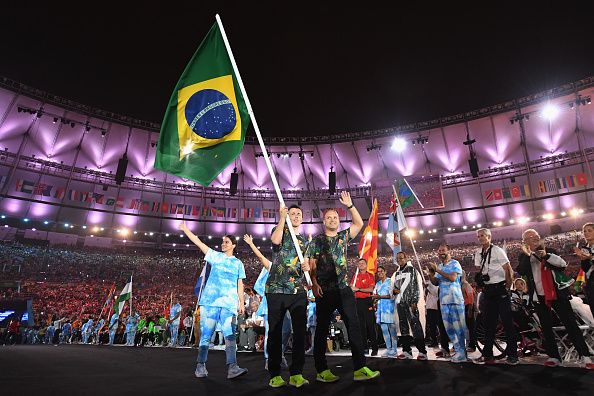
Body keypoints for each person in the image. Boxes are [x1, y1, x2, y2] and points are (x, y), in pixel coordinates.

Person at [308, 191, 380, 382]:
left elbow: (358, 224)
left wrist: (350, 205)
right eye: (329, 218)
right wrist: (314, 283)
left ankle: (360, 368)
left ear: (339, 220)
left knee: (354, 326)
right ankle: (321, 370)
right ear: (324, 222)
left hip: (344, 289)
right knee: (322, 329)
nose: (332, 220)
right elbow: (312, 265)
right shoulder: (317, 241)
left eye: (335, 217)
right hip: (325, 290)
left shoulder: (342, 237)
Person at [180, 221, 248, 380]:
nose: (223, 244)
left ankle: (232, 367)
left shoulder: (238, 263)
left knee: (230, 335)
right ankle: (200, 366)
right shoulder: (215, 256)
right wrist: (185, 229)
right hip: (210, 302)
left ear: (233, 245)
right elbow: (198, 242)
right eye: (222, 241)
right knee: (206, 335)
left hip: (229, 304)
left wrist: (240, 302)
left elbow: (240, 284)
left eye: (226, 242)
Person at [517, 229, 593, 369]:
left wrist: (545, 255)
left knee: (571, 324)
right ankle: (554, 356)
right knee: (546, 327)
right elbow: (521, 270)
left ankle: (585, 355)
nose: (534, 239)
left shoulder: (550, 250)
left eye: (536, 236)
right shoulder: (524, 256)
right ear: (525, 242)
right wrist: (529, 254)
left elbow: (562, 265)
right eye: (530, 238)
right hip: (539, 296)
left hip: (557, 293)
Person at [472, 228, 518, 365]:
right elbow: (480, 269)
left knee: (507, 323)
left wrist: (508, 288)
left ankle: (512, 354)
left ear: (489, 237)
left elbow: (508, 269)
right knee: (488, 324)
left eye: (483, 236)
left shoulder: (497, 250)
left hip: (500, 289)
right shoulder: (478, 252)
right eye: (479, 236)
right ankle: (487, 354)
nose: (480, 238)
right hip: (488, 290)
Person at [428, 243, 467, 363]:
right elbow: (435, 282)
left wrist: (437, 270)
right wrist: (431, 274)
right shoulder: (440, 265)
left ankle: (462, 353)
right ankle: (458, 350)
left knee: (458, 327)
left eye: (443, 250)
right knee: (449, 328)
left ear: (448, 251)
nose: (440, 252)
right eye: (439, 251)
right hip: (444, 301)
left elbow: (453, 278)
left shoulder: (455, 263)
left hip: (455, 300)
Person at [393, 251, 427, 360]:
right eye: (398, 259)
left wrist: (414, 301)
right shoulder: (397, 273)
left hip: (410, 303)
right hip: (400, 303)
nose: (400, 260)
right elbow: (394, 288)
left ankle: (422, 351)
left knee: (416, 326)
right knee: (403, 327)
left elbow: (416, 286)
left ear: (406, 258)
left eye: (402, 258)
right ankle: (406, 350)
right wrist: (394, 291)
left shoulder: (412, 270)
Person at [351, 258, 378, 356]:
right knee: (361, 326)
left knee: (370, 326)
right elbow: (351, 287)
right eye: (359, 263)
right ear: (357, 266)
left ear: (366, 265)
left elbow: (370, 289)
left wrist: (358, 289)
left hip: (367, 302)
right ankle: (365, 348)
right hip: (357, 302)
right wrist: (352, 288)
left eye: (363, 263)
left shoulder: (370, 275)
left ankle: (375, 348)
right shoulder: (355, 276)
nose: (361, 265)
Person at [371, 265, 397, 358]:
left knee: (392, 330)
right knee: (384, 331)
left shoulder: (390, 282)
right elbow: (375, 295)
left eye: (382, 271)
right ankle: (388, 349)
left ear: (385, 272)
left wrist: (379, 297)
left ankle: (394, 350)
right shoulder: (377, 284)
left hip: (389, 309)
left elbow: (392, 295)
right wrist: (375, 300)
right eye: (378, 272)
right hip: (380, 310)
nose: (380, 273)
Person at [574, 222, 594, 319]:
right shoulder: (585, 248)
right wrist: (583, 259)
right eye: (584, 231)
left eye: (589, 230)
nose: (586, 233)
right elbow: (586, 269)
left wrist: (590, 257)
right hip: (591, 284)